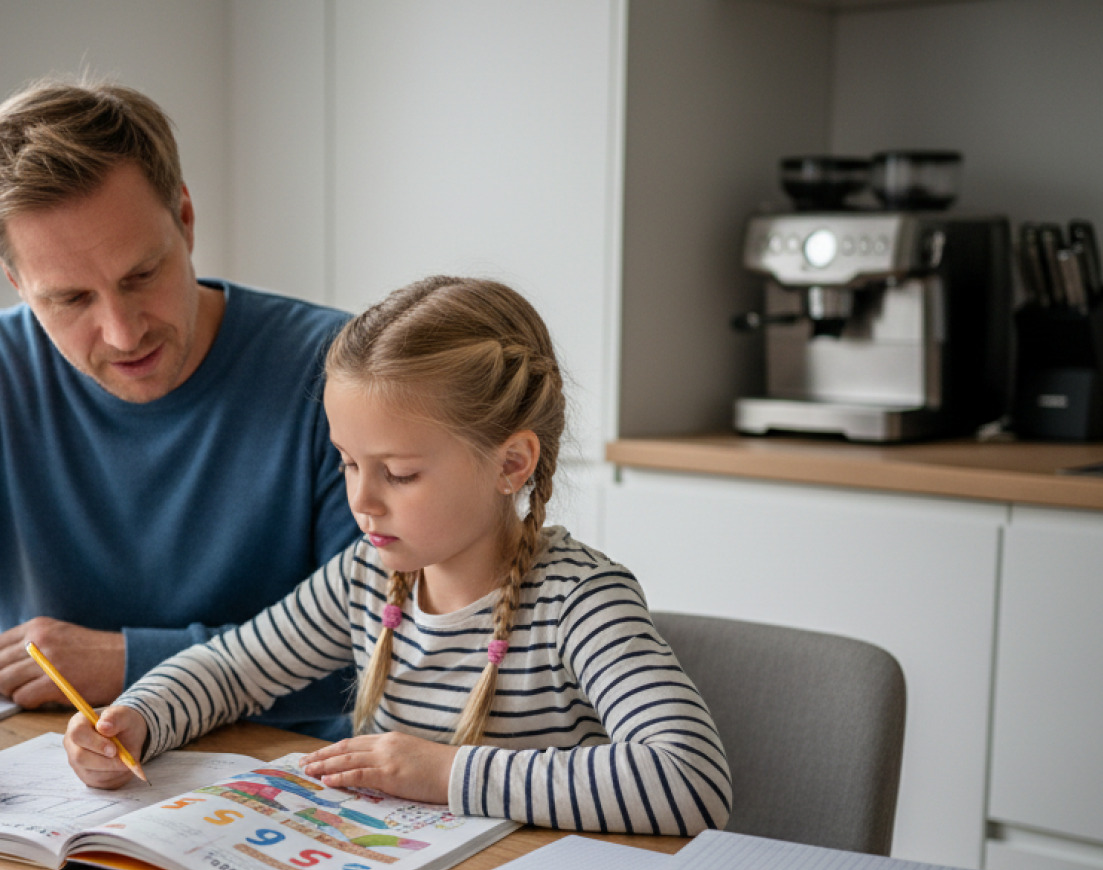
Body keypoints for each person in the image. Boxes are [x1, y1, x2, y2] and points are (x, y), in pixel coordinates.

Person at [0, 80, 358, 771]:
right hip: (67, 794)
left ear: (184, 217)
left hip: (295, 783)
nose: (122, 332)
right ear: (15, 280)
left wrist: (130, 660)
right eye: (69, 298)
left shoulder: (341, 372)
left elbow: (385, 641)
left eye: (142, 274)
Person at [65, 276, 730, 834]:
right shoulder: (367, 576)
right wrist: (138, 718)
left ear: (511, 463)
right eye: (349, 464)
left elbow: (691, 778)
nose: (363, 500)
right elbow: (235, 668)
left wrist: (445, 773)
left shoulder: (579, 601)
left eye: (400, 473)